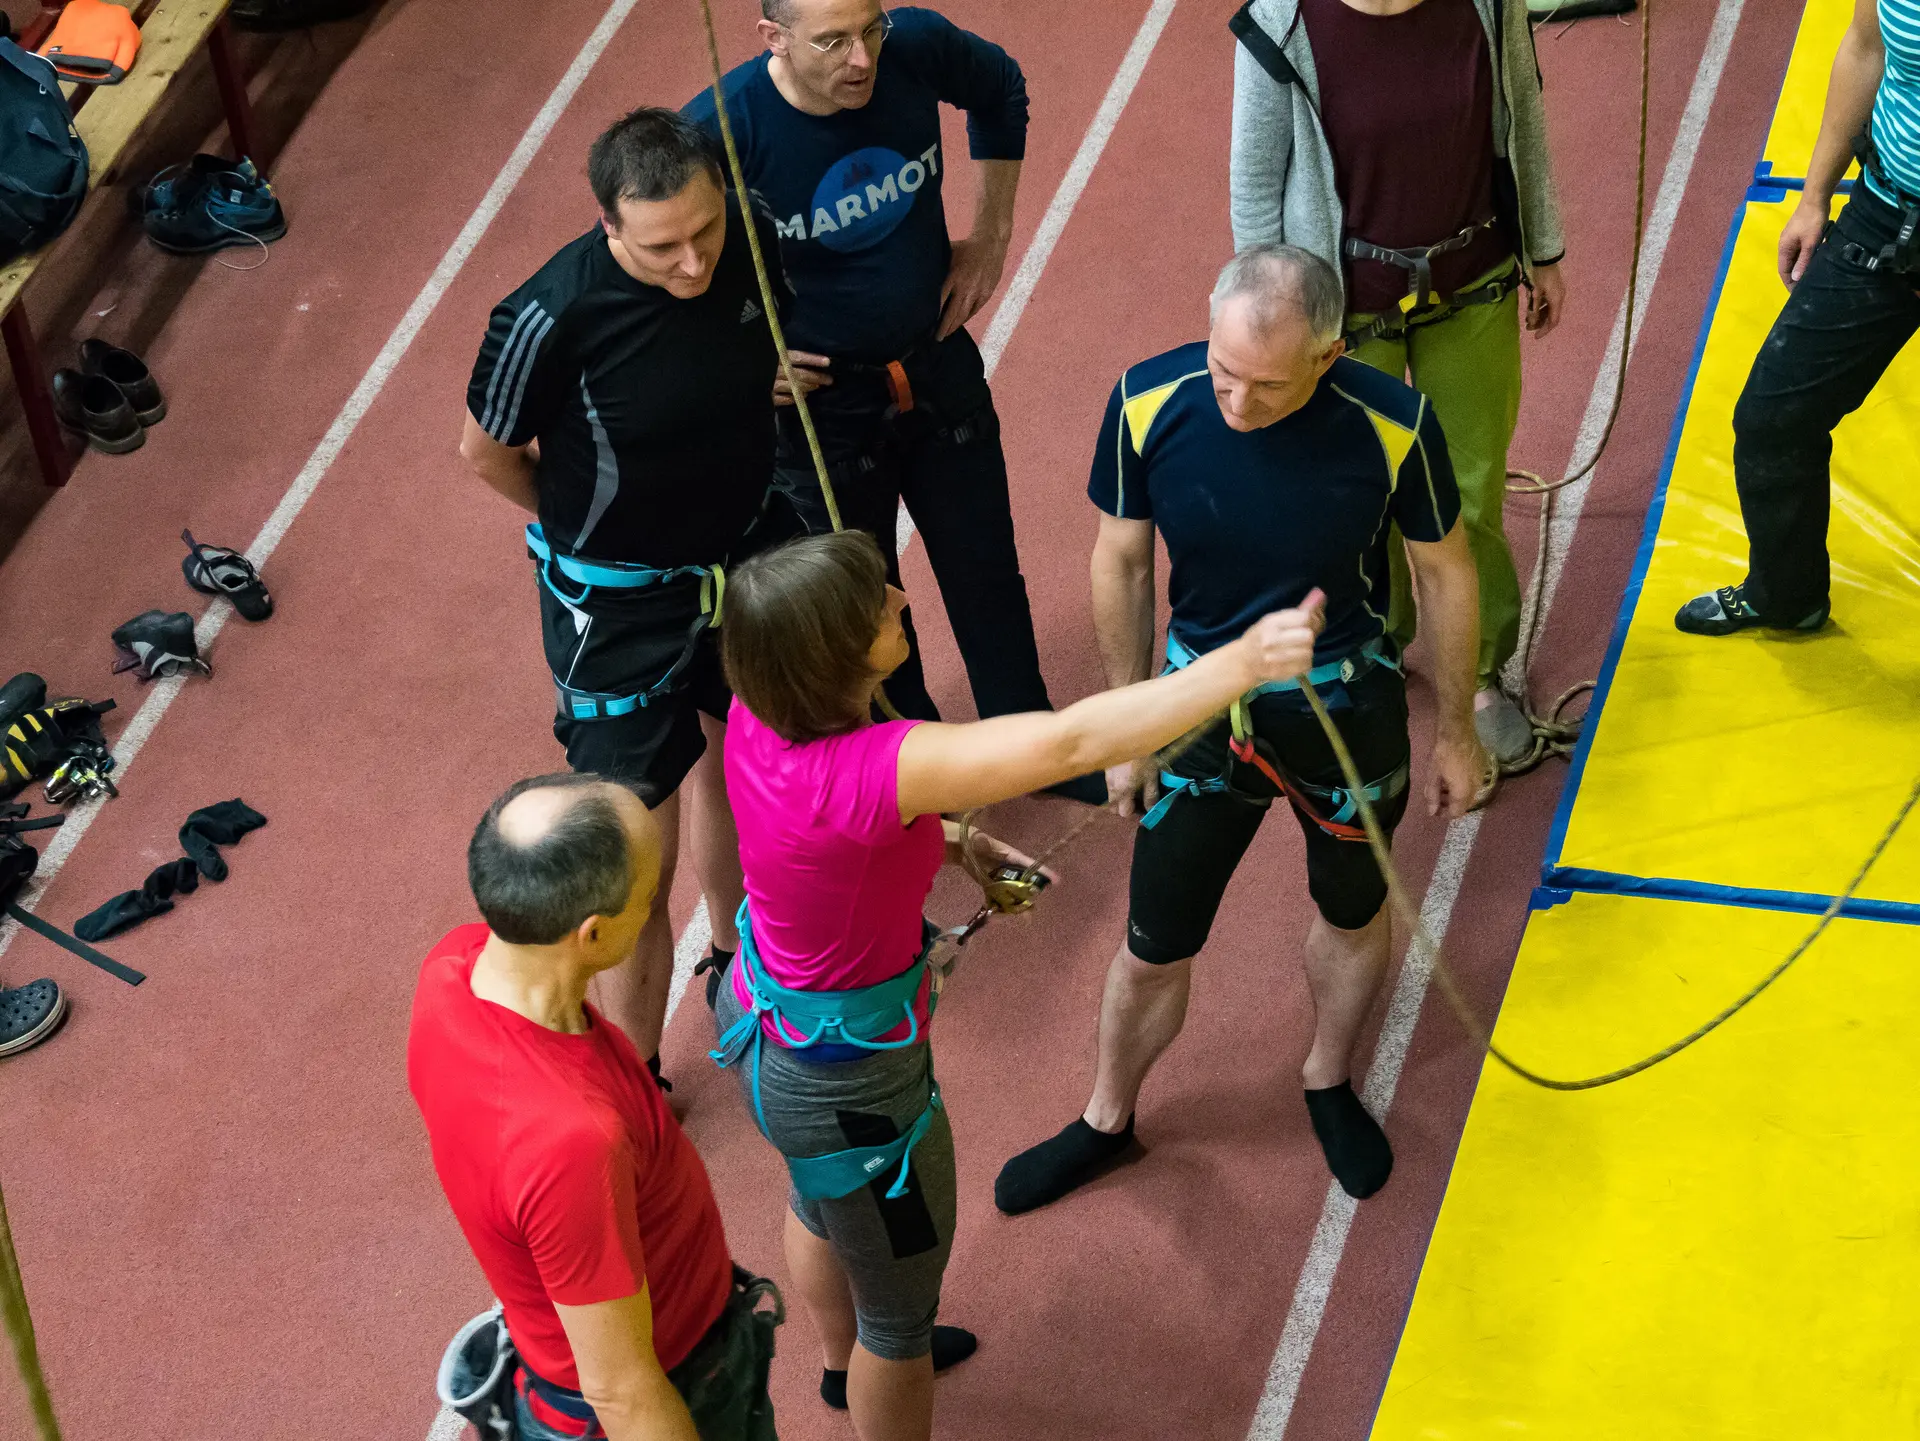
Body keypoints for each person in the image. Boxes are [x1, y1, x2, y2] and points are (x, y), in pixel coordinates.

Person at [708, 530, 1325, 1441]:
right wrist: (1244, 661)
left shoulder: (763, 711)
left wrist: (954, 843)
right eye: (881, 606)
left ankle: (842, 1370)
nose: (902, 604)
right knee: (900, 1324)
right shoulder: (887, 763)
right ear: (835, 654)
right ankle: (875, 1359)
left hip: (767, 1029)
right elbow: (1068, 738)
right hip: (851, 1091)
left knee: (817, 1201)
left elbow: (826, 839)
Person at [994, 246, 1487, 1216]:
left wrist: (1459, 728)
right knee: (1152, 941)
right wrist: (1127, 725)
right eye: (1223, 371)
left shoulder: (1393, 426)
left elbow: (1445, 574)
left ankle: (1327, 1076)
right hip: (1195, 716)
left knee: (1352, 914)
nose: (1235, 401)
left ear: (1331, 354)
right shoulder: (1148, 401)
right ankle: (1106, 1114)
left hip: (1343, 709)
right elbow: (1123, 564)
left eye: (1265, 386)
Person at [684, 1, 1101, 807]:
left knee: (987, 571)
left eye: (869, 30)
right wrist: (735, 360)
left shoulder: (916, 45)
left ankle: (1029, 741)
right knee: (867, 608)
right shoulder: (718, 128)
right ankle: (923, 777)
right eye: (832, 41)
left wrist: (993, 233)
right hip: (821, 414)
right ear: (772, 38)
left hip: (937, 368)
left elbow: (1001, 89)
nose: (861, 59)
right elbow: (650, 249)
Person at [461, 107, 795, 1067]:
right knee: (633, 866)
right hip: (616, 611)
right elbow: (484, 453)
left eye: (705, 232)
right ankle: (642, 1077)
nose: (693, 264)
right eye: (661, 248)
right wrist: (590, 535)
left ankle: (733, 957)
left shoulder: (756, 235)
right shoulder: (546, 315)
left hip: (745, 559)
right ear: (608, 225)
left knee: (749, 767)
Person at [1228, 0, 1567, 765]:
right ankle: (1376, 649)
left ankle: (1481, 675)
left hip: (1473, 287)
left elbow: (1525, 119)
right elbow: (1255, 196)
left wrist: (1543, 247)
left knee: (1469, 497)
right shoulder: (1280, 25)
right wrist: (1275, 324)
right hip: (1345, 314)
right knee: (1360, 501)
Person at [408, 774, 781, 1440]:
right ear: (593, 934)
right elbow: (624, 1390)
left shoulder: (453, 966)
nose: (657, 902)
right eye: (649, 895)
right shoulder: (572, 1140)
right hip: (679, 1386)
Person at [1675, 0, 1913, 637]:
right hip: (1887, 213)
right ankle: (1787, 594)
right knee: (1774, 418)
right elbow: (1867, 47)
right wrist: (1814, 198)